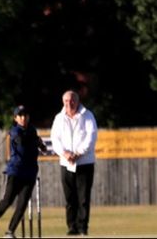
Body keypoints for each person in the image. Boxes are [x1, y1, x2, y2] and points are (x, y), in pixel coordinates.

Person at [0, 105, 48, 238]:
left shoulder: (32, 130)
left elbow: (39, 145)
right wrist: (37, 141)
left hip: (30, 172)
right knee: (7, 201)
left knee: (22, 204)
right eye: (20, 115)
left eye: (25, 115)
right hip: (15, 171)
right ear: (15, 118)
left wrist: (42, 146)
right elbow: (23, 143)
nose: (23, 118)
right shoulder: (15, 131)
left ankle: (10, 232)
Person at [50, 90, 98, 236]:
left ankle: (83, 227)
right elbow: (55, 139)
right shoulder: (59, 118)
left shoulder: (87, 115)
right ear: (62, 102)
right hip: (66, 163)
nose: (69, 103)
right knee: (70, 198)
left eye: (71, 101)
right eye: (66, 101)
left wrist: (78, 153)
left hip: (84, 163)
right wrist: (65, 154)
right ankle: (72, 227)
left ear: (77, 101)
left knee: (83, 198)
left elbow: (91, 137)